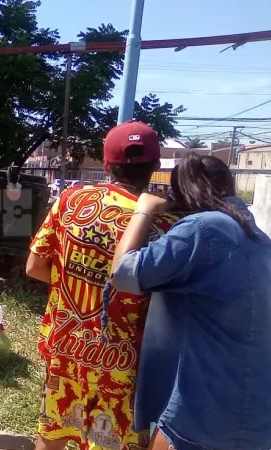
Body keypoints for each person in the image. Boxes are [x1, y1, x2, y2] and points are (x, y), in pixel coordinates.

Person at [25, 120, 178, 450]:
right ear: (155, 166)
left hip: (66, 347)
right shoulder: (166, 225)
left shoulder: (72, 200)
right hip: (121, 364)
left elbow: (35, 266)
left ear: (106, 165)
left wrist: (75, 282)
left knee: (52, 430)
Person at [110, 153, 271, 450]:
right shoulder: (259, 238)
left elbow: (124, 274)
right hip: (258, 419)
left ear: (181, 194)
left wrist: (144, 210)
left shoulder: (203, 229)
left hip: (202, 414)